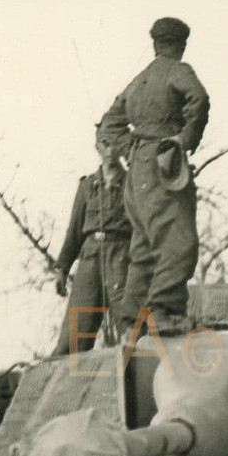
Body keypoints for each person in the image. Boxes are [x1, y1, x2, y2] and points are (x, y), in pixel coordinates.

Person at [96, 16, 210, 338]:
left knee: (144, 247)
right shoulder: (178, 70)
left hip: (137, 170)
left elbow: (108, 125)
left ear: (155, 43)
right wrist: (182, 142)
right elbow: (199, 100)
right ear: (182, 44)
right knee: (178, 239)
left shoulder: (138, 81)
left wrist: (130, 149)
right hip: (163, 162)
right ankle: (164, 311)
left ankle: (131, 319)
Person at [51, 145, 132, 356]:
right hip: (90, 260)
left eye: (115, 142)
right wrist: (62, 268)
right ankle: (66, 386)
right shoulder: (87, 186)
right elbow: (74, 231)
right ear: (98, 148)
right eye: (105, 143)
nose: (110, 150)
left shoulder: (133, 182)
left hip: (121, 257)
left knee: (134, 328)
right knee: (73, 335)